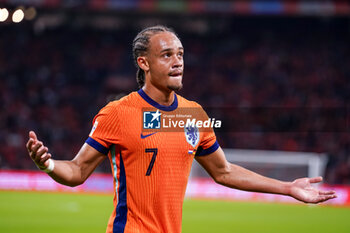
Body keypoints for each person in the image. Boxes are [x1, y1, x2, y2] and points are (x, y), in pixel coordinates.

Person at [26, 25, 336, 233]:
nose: (178, 62)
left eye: (181, 54)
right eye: (167, 55)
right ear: (143, 63)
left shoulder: (194, 115)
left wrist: (287, 188)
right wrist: (48, 164)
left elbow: (224, 172)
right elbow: (77, 171)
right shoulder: (118, 113)